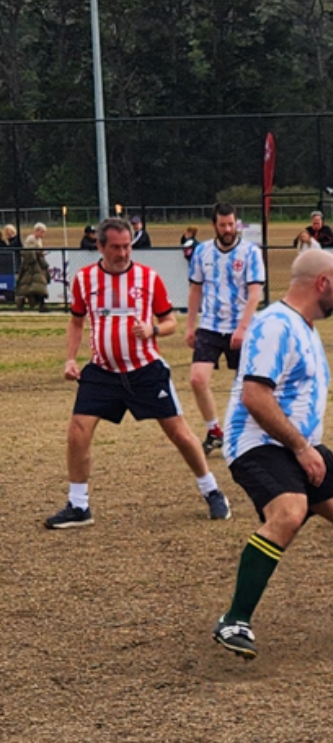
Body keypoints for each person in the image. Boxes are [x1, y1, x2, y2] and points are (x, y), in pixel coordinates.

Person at [213, 247, 333, 659]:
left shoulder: (302, 326)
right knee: (289, 511)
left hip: (299, 446)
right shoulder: (274, 326)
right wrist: (301, 448)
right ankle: (234, 619)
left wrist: (305, 447)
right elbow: (254, 396)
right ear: (321, 283)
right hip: (258, 444)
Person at [44, 217, 231, 529]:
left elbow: (170, 321)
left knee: (180, 434)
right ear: (99, 246)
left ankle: (211, 490)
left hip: (145, 370)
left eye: (127, 245)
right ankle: (78, 506)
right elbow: (76, 321)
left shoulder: (148, 278)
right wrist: (70, 359)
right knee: (77, 432)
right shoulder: (84, 279)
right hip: (102, 371)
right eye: (115, 247)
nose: (123, 252)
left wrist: (153, 328)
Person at [185, 202, 266, 455]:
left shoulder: (251, 252)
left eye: (231, 224)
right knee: (197, 379)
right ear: (214, 226)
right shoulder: (202, 252)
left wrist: (243, 328)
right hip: (209, 326)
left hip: (241, 327)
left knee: (246, 387)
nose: (228, 229)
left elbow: (255, 294)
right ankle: (214, 431)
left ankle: (245, 433)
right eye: (223, 225)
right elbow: (195, 289)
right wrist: (190, 326)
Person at [16, 224, 49, 311]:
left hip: (37, 267)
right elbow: (29, 253)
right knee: (32, 286)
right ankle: (24, 301)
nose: (43, 234)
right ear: (37, 231)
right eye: (42, 232)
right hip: (31, 267)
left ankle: (40, 304)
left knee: (36, 286)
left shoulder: (38, 240)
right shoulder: (31, 240)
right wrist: (39, 253)